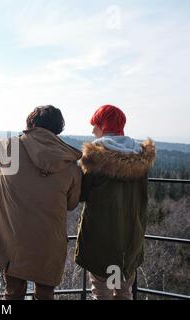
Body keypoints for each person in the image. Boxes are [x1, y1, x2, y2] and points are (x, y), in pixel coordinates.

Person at [0, 105, 82, 300]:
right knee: (46, 293)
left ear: (31, 124)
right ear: (58, 128)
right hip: (50, 240)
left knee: (13, 290)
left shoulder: (12, 149)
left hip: (14, 238)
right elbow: (72, 203)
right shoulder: (69, 162)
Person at [74, 105, 156, 300]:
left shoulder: (95, 157)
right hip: (130, 238)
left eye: (95, 125)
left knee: (101, 292)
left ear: (102, 126)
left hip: (101, 239)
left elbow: (81, 194)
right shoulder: (140, 157)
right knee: (123, 291)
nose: (92, 130)